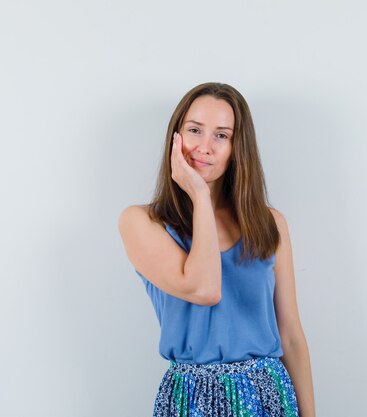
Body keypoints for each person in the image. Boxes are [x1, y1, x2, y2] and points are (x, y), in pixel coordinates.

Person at [118, 82, 316, 417]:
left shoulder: (270, 224)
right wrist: (198, 195)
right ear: (175, 136)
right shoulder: (142, 222)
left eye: (221, 135)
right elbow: (205, 287)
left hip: (266, 396)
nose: (205, 147)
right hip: (191, 400)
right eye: (194, 130)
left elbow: (291, 335)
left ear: (238, 146)